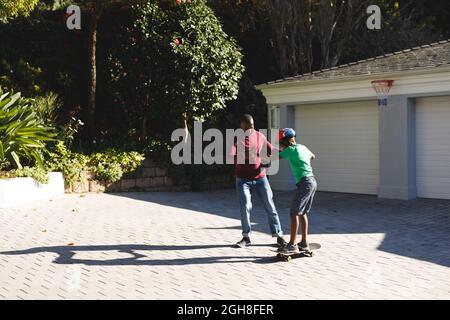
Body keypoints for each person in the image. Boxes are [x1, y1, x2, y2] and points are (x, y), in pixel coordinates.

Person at [230, 114, 286, 248]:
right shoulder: (237, 138)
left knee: (270, 206)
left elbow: (270, 149)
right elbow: (232, 156)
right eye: (249, 126)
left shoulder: (259, 136)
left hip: (260, 178)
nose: (251, 128)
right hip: (243, 180)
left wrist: (285, 152)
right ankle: (246, 237)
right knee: (245, 206)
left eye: (253, 126)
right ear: (242, 125)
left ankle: (279, 236)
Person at [277, 128, 317, 253]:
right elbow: (313, 156)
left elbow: (274, 157)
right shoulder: (302, 147)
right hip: (312, 181)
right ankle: (304, 243)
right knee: (302, 213)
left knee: (294, 213)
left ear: (285, 141)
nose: (280, 144)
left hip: (305, 183)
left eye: (281, 142)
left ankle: (292, 244)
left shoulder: (289, 150)